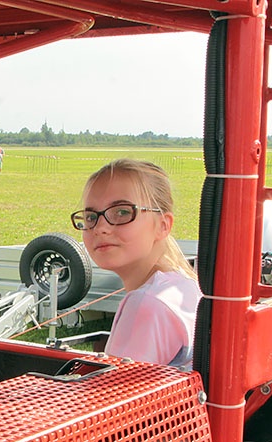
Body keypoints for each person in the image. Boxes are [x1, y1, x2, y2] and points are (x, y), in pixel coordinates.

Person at [71, 158, 201, 368]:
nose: (100, 227)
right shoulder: (182, 286)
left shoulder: (149, 303)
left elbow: (114, 396)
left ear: (162, 226)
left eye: (122, 212)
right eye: (91, 216)